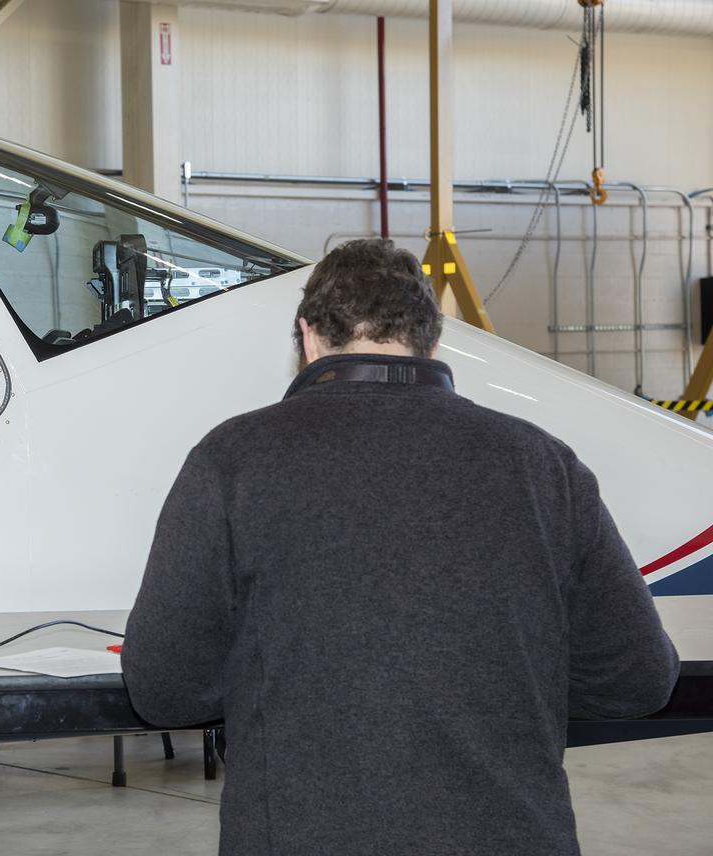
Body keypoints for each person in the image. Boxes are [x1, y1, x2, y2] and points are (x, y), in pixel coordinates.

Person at [121, 238, 679, 856]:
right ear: (431, 341)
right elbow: (638, 680)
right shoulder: (542, 464)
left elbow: (164, 687)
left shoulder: (233, 458)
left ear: (308, 337)